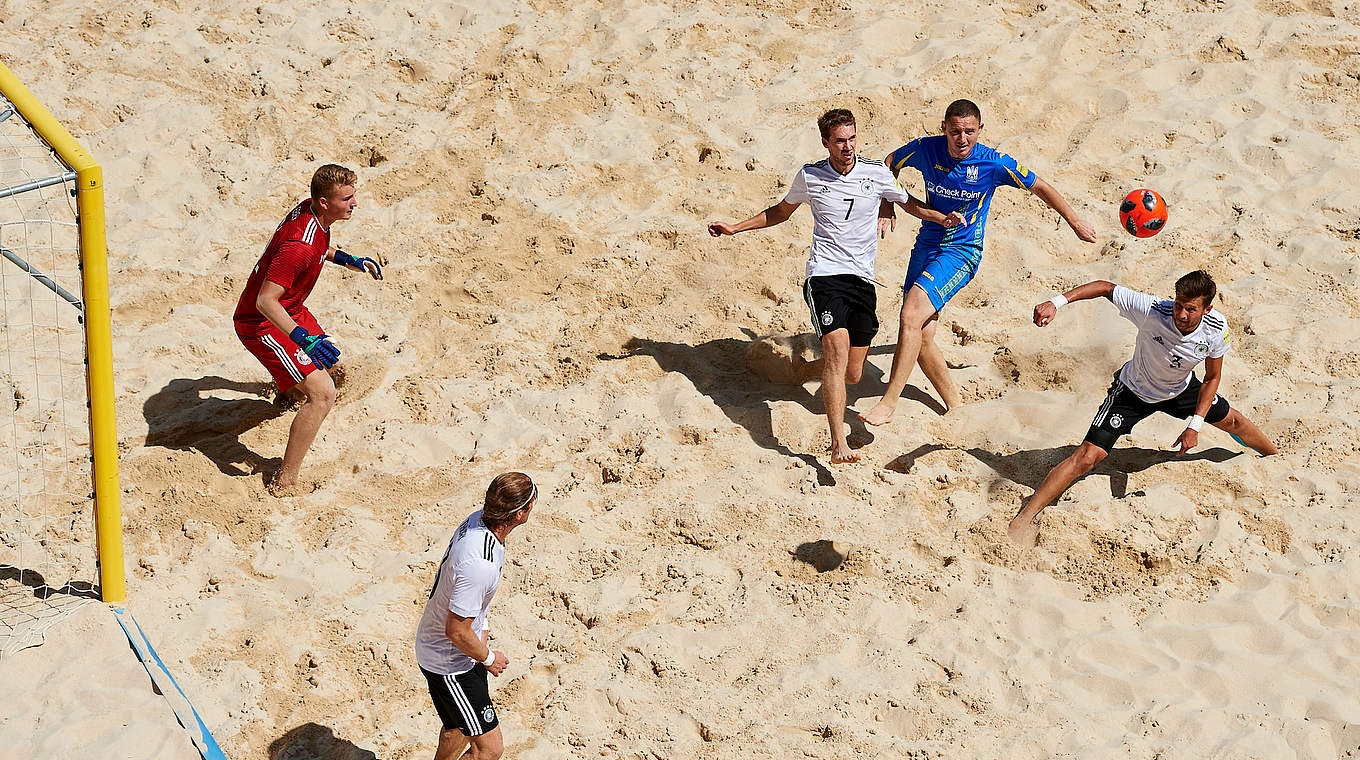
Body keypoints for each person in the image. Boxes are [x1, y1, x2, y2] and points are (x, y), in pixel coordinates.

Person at [707, 108, 962, 463]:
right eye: (840, 141)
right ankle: (838, 442)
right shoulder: (810, 176)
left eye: (852, 138)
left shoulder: (875, 172)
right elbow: (779, 212)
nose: (848, 147)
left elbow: (911, 204)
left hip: (863, 281)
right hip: (825, 276)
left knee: (852, 373)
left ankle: (804, 371)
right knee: (838, 350)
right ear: (826, 142)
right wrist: (736, 227)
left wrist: (942, 217)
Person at [860, 99, 1097, 426]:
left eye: (969, 132)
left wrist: (1074, 221)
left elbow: (1040, 186)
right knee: (921, 334)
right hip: (927, 242)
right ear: (944, 128)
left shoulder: (994, 163)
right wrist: (887, 204)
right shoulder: (926, 149)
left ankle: (889, 403)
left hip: (961, 251)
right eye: (955, 131)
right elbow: (889, 163)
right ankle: (956, 405)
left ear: (980, 129)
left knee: (910, 315)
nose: (962, 139)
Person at [1007, 271, 1277, 544]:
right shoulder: (1153, 310)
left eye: (1190, 309)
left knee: (1235, 422)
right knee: (1087, 458)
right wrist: (1056, 302)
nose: (1181, 314)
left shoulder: (1216, 328)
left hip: (1180, 390)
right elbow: (1104, 287)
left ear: (1207, 309)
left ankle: (1275, 457)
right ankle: (1024, 516)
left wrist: (1194, 426)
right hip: (1133, 392)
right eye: (1178, 305)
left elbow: (1212, 378)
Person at [232, 164, 382, 493]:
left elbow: (319, 247)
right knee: (323, 394)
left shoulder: (314, 214)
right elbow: (264, 301)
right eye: (347, 199)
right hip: (262, 323)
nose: (354, 203)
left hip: (292, 308)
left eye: (353, 195)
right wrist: (302, 339)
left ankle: (287, 391)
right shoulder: (297, 246)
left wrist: (349, 260)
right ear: (324, 202)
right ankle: (285, 480)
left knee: (330, 366)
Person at [415, 472, 537, 760]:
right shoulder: (480, 564)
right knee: (489, 750)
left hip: (455, 648)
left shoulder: (478, 521)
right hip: (451, 663)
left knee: (458, 728)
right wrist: (489, 658)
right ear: (519, 514)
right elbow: (457, 631)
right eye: (533, 501)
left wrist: (482, 628)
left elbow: (465, 599)